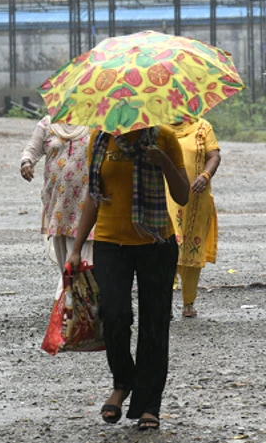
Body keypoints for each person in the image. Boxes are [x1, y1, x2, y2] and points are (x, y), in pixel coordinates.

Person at [67, 125, 189, 431]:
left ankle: (149, 405)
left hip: (157, 243)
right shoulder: (101, 138)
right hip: (110, 243)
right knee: (115, 314)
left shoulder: (164, 138)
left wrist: (164, 162)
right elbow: (94, 197)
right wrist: (77, 247)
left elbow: (183, 195)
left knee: (155, 324)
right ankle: (123, 382)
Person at [20, 115, 94, 299]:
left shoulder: (94, 123)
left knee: (84, 259)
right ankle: (72, 304)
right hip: (58, 204)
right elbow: (31, 150)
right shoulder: (48, 124)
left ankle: (71, 298)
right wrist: (26, 163)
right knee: (65, 261)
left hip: (86, 203)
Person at [162, 119, 220, 319]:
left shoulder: (203, 127)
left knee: (192, 248)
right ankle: (165, 302)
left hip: (197, 198)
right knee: (168, 248)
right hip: (167, 198)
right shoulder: (159, 130)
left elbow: (214, 156)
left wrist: (205, 175)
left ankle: (188, 302)